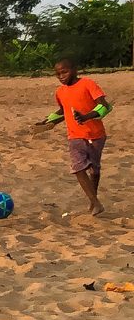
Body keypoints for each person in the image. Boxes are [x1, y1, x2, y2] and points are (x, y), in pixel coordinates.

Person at [35, 59, 112, 216]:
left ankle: (93, 201)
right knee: (78, 168)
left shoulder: (88, 84)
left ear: (74, 70)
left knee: (94, 170)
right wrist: (47, 121)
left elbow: (104, 106)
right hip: (75, 136)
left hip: (95, 135)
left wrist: (85, 117)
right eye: (58, 74)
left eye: (64, 72)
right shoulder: (60, 92)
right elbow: (63, 111)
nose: (61, 76)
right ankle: (96, 202)